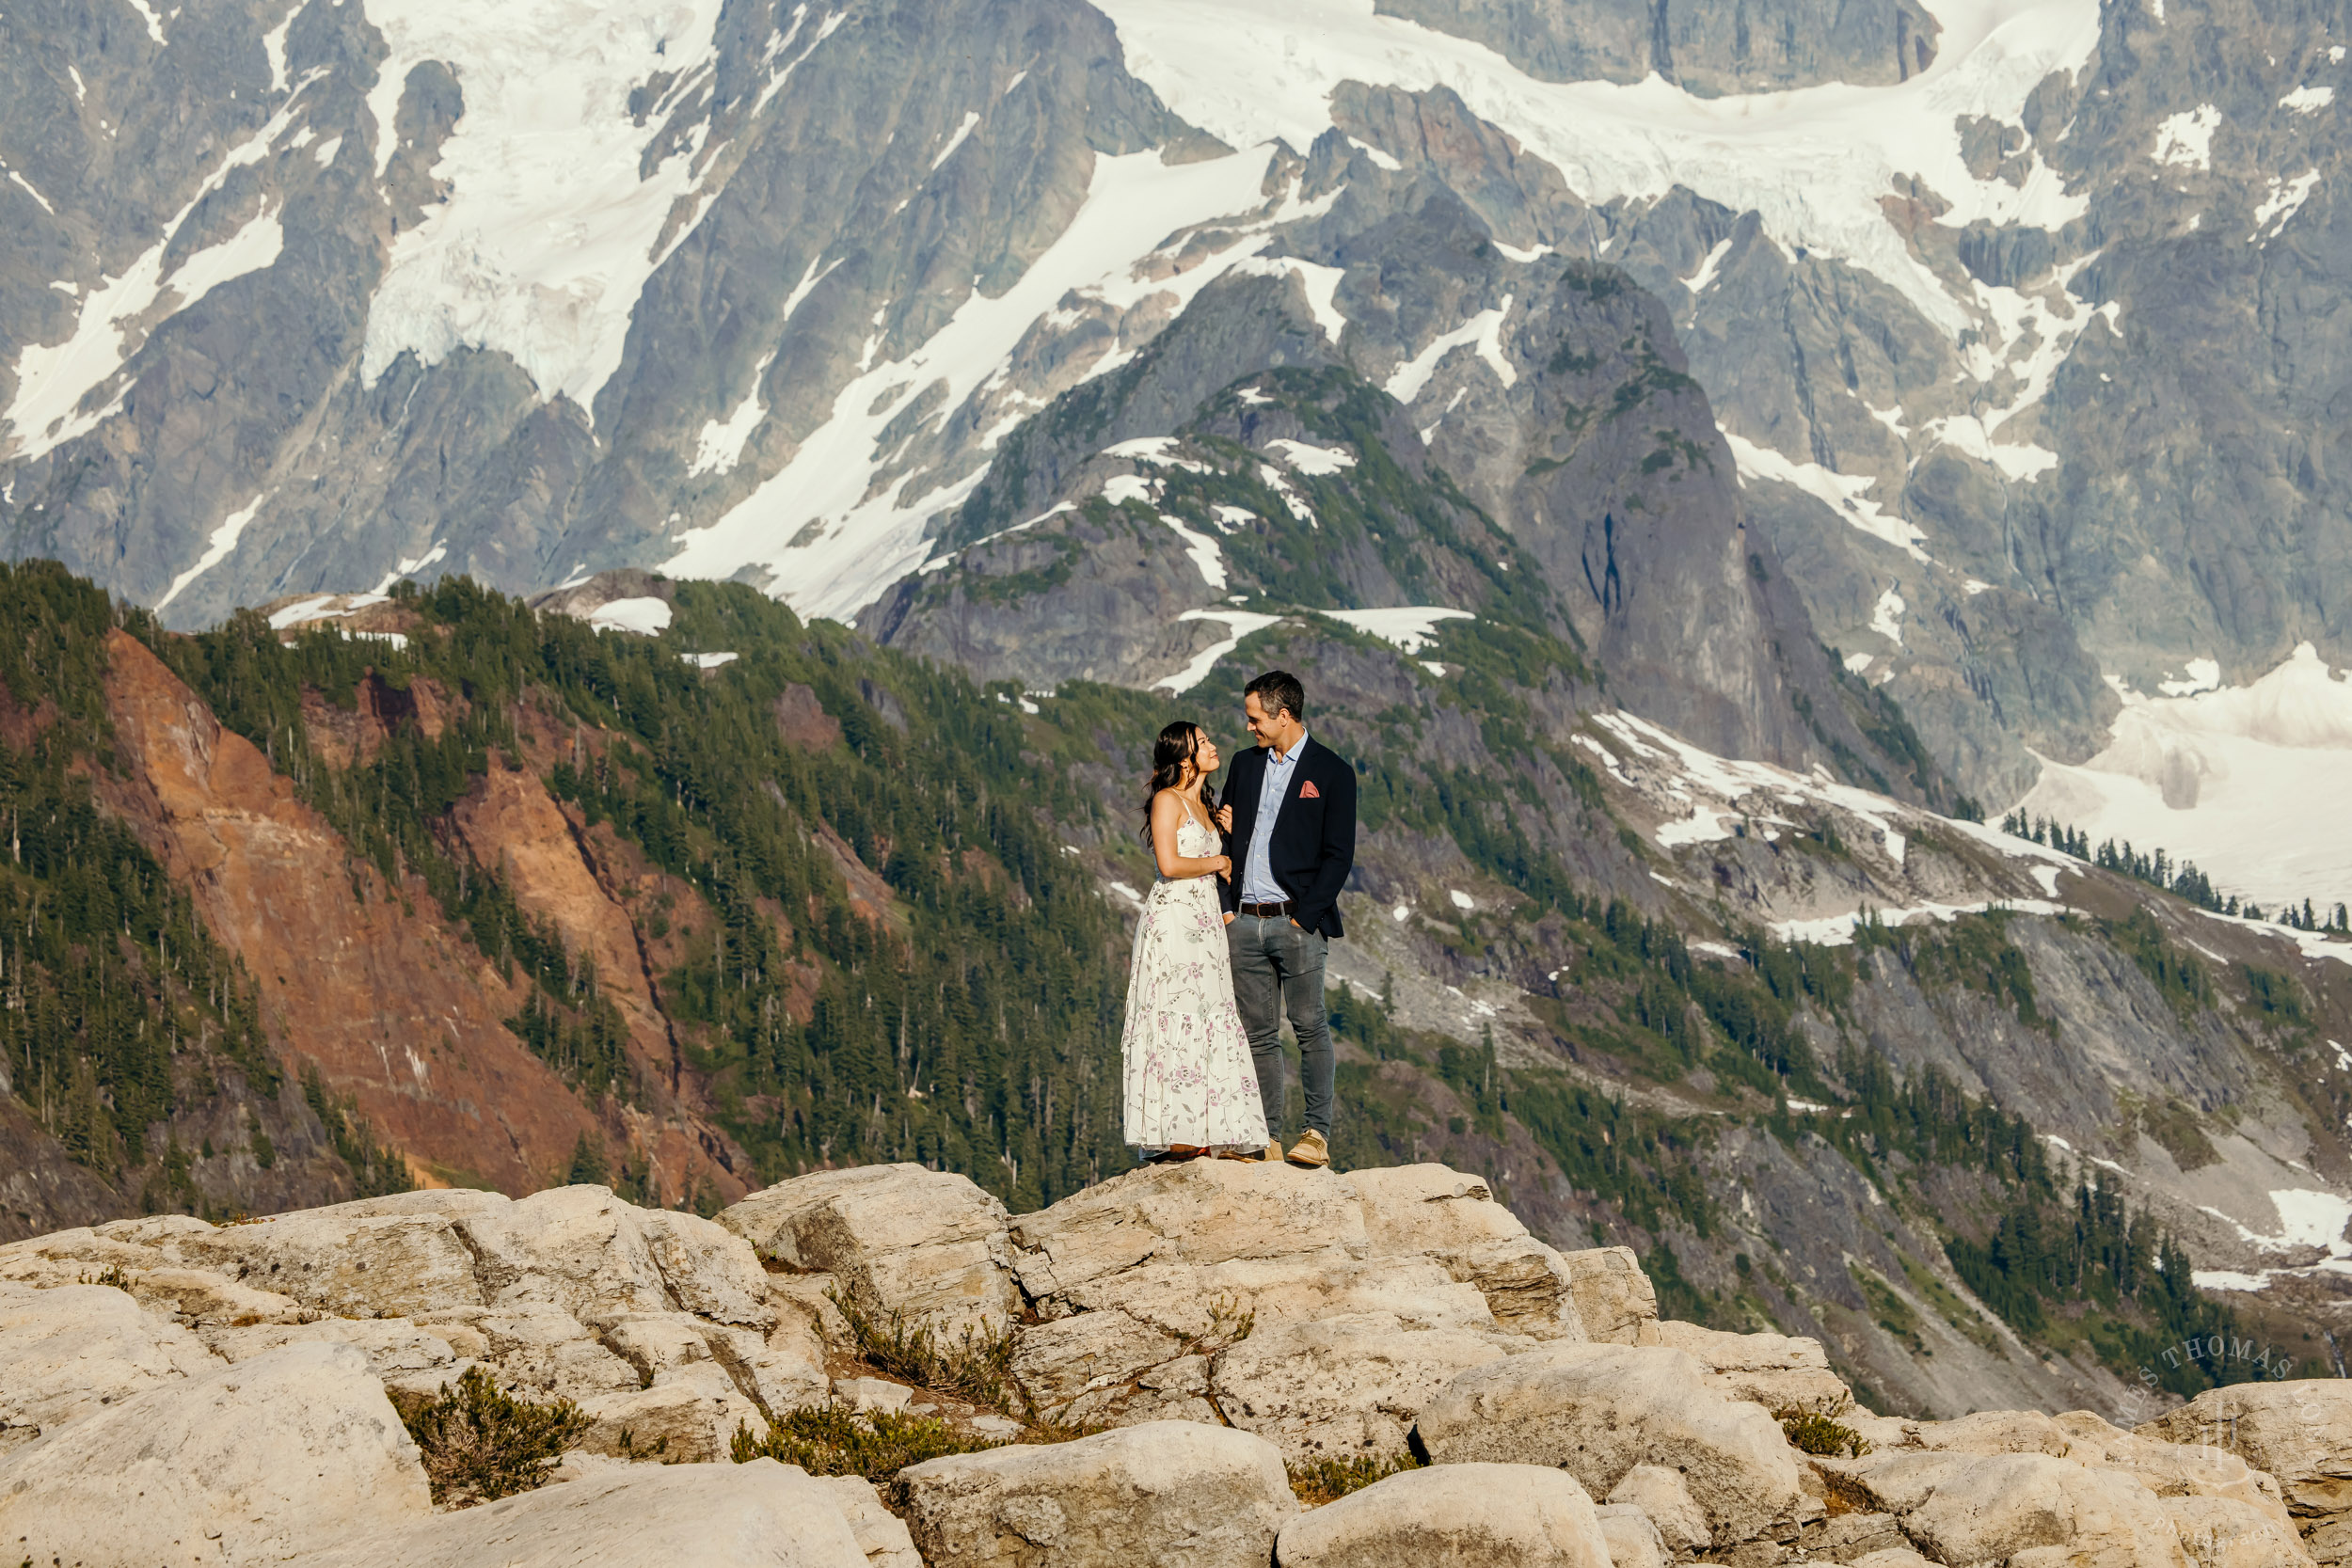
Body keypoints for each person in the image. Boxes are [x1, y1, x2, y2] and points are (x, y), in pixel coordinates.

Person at [1218, 671, 1357, 1167]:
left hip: (1296, 921)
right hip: (1244, 920)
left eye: (1256, 718)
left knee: (1308, 1025)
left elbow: (1339, 855)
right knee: (1257, 1033)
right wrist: (1229, 909)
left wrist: (1306, 917)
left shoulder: (1333, 772)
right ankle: (1265, 1138)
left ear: (1284, 714)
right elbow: (1229, 833)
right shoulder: (1244, 764)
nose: (1250, 726)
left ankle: (1316, 1133)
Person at [1120, 721, 1272, 1162]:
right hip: (1174, 920)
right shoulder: (1168, 801)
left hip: (1204, 920)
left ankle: (1215, 1129)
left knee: (1212, 1011)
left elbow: (1220, 864)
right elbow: (1168, 863)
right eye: (1202, 742)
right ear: (1184, 757)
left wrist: (1228, 833)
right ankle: (1178, 1133)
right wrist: (1219, 857)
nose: (1212, 745)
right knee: (1176, 1010)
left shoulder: (1205, 805)